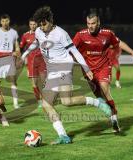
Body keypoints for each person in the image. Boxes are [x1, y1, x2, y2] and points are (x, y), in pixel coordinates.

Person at [22, 6, 112, 145]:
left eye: (44, 23)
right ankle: (63, 136)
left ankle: (97, 102)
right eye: (40, 24)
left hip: (64, 67)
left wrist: (86, 68)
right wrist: (24, 54)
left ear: (51, 21)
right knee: (47, 104)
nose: (42, 26)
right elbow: (36, 42)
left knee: (66, 101)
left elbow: (75, 52)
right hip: (52, 70)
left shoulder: (61, 33)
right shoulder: (39, 31)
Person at [73, 12, 133, 133]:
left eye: (93, 23)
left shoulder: (107, 34)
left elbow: (119, 43)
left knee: (105, 89)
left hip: (104, 67)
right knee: (99, 97)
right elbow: (70, 49)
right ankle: (110, 114)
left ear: (98, 22)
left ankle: (114, 118)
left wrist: (132, 52)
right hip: (88, 71)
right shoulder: (80, 35)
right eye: (88, 23)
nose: (90, 26)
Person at [0, 14, 21, 109]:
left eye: (6, 21)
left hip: (10, 58)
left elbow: (17, 45)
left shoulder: (14, 32)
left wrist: (18, 53)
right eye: (3, 21)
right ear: (0, 22)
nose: (4, 23)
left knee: (13, 81)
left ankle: (16, 104)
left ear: (9, 21)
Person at [20, 18, 46, 108]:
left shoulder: (42, 33)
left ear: (37, 24)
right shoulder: (25, 35)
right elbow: (21, 47)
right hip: (31, 62)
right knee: (34, 83)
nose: (33, 26)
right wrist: (23, 58)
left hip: (42, 60)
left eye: (34, 24)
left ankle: (45, 99)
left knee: (44, 82)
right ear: (29, 25)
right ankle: (39, 101)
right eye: (31, 24)